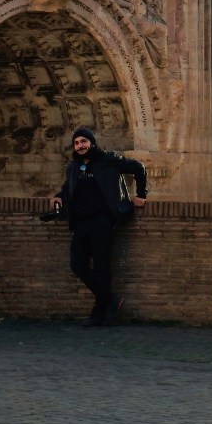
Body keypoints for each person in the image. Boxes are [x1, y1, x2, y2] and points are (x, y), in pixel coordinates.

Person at [51, 126, 148, 324]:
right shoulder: (74, 168)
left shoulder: (109, 160)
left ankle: (100, 311)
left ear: (92, 143)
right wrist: (58, 198)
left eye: (83, 142)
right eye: (77, 143)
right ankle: (110, 299)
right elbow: (67, 190)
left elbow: (138, 168)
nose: (80, 146)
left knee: (102, 266)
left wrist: (141, 194)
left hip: (103, 221)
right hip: (81, 222)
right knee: (77, 264)